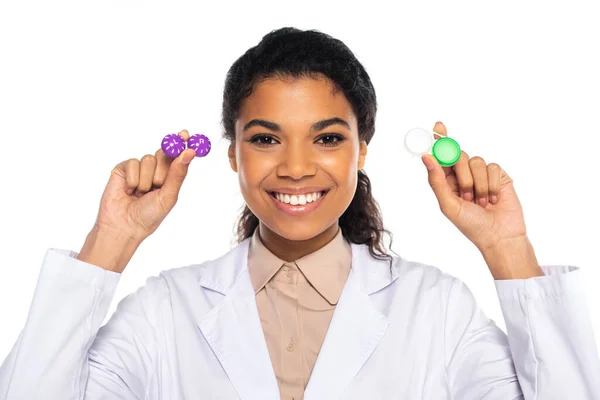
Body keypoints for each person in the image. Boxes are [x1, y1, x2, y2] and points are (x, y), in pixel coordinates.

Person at [0, 27, 598, 400]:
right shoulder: (164, 311)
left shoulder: (436, 308)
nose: (294, 168)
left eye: (327, 139)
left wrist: (506, 249)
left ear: (363, 149)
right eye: (265, 139)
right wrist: (111, 240)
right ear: (232, 154)